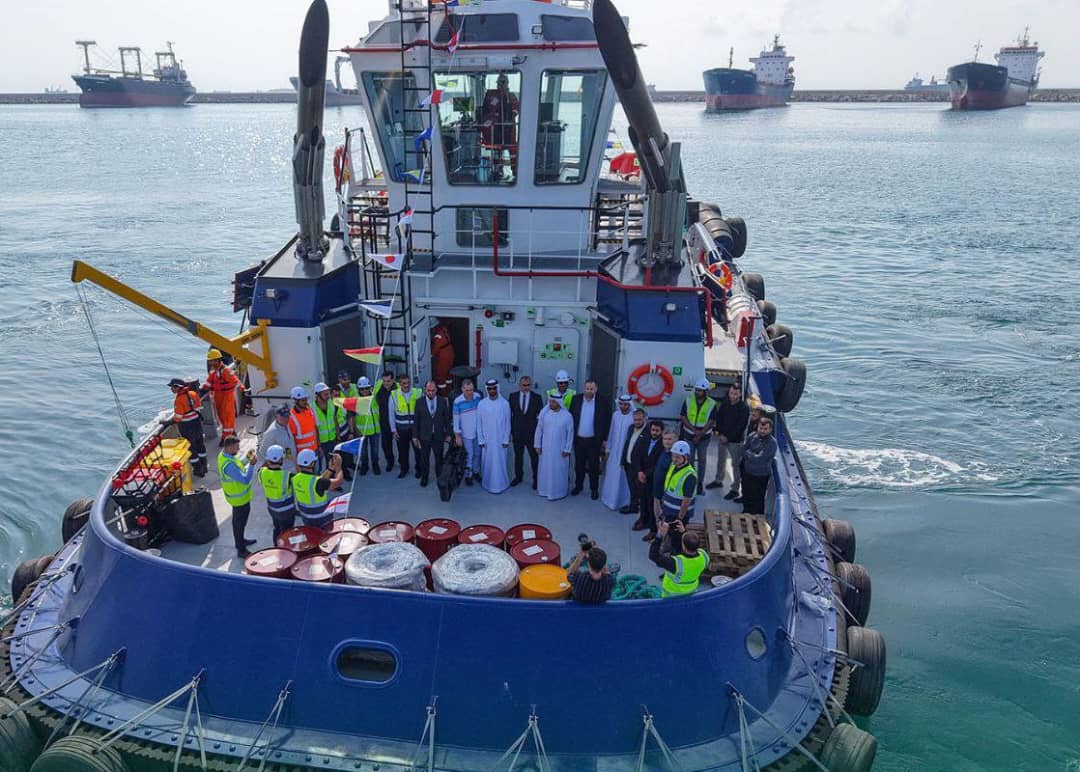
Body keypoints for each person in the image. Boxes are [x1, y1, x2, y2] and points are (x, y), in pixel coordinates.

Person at [707, 382, 751, 498]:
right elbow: (719, 418)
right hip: (722, 438)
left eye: (735, 394)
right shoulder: (725, 403)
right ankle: (718, 480)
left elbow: (741, 426)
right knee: (721, 460)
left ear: (740, 394)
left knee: (735, 464)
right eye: (731, 393)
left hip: (735, 441)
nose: (733, 395)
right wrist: (720, 433)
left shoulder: (744, 408)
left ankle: (735, 489)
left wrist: (727, 437)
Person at [569, 380, 611, 500]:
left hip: (594, 441)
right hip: (579, 439)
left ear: (596, 389)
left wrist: (605, 439)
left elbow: (607, 421)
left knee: (594, 466)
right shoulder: (576, 400)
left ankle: (594, 489)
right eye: (587, 389)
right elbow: (571, 418)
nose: (589, 391)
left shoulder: (603, 402)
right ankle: (578, 486)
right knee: (579, 465)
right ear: (584, 388)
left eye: (591, 389)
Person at [217, 436, 258, 558]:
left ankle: (240, 541)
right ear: (229, 447)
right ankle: (241, 549)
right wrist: (252, 465)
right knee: (239, 524)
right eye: (236, 447)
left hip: (239, 498)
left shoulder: (225, 456)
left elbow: (238, 464)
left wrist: (247, 458)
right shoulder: (228, 465)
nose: (238, 449)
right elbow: (245, 480)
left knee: (239, 523)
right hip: (239, 500)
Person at [649, 519, 709, 598]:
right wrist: (684, 532)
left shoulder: (675, 564)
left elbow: (653, 555)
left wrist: (659, 535)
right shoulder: (704, 556)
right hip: (691, 592)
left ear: (683, 546)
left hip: (671, 596)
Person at [659, 440, 698, 555]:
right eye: (673, 456)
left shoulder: (689, 476)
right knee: (670, 533)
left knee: (677, 538)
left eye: (677, 457)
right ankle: (669, 548)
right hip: (669, 510)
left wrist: (680, 518)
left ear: (685, 457)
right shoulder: (673, 466)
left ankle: (676, 556)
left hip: (678, 514)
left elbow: (686, 500)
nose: (674, 459)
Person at [291, 448, 345, 530]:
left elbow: (319, 481)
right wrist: (338, 466)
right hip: (322, 520)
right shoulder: (318, 482)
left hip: (307, 519)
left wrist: (330, 469)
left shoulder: (295, 478)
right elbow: (339, 481)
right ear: (312, 463)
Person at [679, 378, 716, 494]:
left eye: (699, 390)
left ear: (705, 391)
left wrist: (700, 434)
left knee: (702, 461)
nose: (697, 392)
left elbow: (711, 420)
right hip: (689, 435)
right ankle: (690, 481)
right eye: (696, 389)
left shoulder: (712, 404)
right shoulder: (688, 400)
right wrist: (694, 431)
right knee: (688, 460)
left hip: (704, 437)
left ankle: (699, 484)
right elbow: (683, 417)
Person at [534, 395, 574, 501]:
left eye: (553, 402)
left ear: (559, 403)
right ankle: (544, 491)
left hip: (560, 451)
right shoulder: (545, 414)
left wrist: (567, 449)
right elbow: (539, 430)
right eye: (550, 401)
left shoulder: (567, 416)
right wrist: (537, 445)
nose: (551, 404)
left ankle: (559, 493)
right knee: (545, 470)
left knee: (559, 471)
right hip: (545, 449)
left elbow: (570, 434)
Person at [480, 72, 520, 178]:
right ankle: (497, 170)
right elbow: (487, 110)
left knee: (513, 150)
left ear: (507, 83)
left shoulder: (511, 96)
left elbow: (516, 108)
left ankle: (515, 170)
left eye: (503, 82)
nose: (501, 84)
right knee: (496, 150)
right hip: (496, 129)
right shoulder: (492, 96)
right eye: (500, 82)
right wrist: (493, 116)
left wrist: (510, 114)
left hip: (509, 129)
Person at [167, 377, 207, 476]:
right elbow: (198, 407)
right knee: (200, 444)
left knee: (191, 448)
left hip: (187, 427)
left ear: (178, 387)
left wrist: (168, 422)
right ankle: (204, 465)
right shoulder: (193, 394)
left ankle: (198, 470)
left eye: (172, 387)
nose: (171, 389)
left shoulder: (178, 400)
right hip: (197, 423)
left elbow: (178, 418)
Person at [414, 380, 451, 487]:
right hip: (424, 436)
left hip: (438, 436)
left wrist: (449, 434)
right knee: (424, 459)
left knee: (439, 458)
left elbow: (447, 419)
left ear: (436, 390)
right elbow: (416, 420)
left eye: (433, 390)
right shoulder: (419, 402)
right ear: (425, 390)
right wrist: (415, 436)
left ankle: (439, 477)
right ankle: (425, 477)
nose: (431, 393)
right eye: (428, 390)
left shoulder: (442, 401)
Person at [600, 395, 634, 510]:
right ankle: (609, 499)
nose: (623, 406)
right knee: (612, 475)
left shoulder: (633, 417)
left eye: (626, 404)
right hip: (614, 451)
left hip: (626, 453)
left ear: (630, 405)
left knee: (623, 477)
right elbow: (611, 432)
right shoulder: (615, 415)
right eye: (621, 404)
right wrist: (608, 448)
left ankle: (623, 501)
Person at [477, 379, 511, 493]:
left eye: (494, 388)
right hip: (487, 441)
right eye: (489, 389)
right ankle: (487, 484)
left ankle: (502, 484)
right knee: (487, 462)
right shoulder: (482, 404)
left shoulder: (504, 404)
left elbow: (508, 423)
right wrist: (481, 440)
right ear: (487, 389)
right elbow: (479, 423)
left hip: (500, 440)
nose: (492, 391)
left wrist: (506, 439)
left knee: (500, 462)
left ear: (497, 388)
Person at [631, 420, 666, 532]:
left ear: (661, 431)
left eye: (657, 430)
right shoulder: (644, 439)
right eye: (653, 430)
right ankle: (643, 519)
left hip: (652, 479)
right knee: (642, 499)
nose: (654, 432)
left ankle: (652, 525)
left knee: (651, 503)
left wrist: (646, 474)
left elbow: (658, 464)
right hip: (641, 476)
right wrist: (640, 471)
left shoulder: (663, 445)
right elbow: (636, 455)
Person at [740, 410, 777, 514]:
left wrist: (748, 454)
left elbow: (760, 459)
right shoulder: (752, 436)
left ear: (770, 430)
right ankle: (746, 512)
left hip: (760, 475)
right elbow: (742, 450)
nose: (762, 431)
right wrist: (751, 454)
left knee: (758, 497)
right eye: (761, 428)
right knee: (746, 494)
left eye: (765, 429)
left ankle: (757, 516)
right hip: (747, 472)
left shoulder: (772, 443)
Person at [645, 430, 678, 543]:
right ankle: (658, 539)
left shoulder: (674, 458)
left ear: (675, 440)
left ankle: (663, 545)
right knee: (657, 518)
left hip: (665, 497)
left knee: (664, 521)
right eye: (665, 439)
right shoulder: (663, 452)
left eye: (670, 439)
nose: (667, 441)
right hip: (657, 493)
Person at [509, 375, 541, 489]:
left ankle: (536, 479)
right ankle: (518, 477)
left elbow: (540, 418)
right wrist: (510, 432)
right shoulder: (512, 397)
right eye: (524, 385)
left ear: (531, 385)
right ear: (519, 385)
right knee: (518, 457)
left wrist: (539, 435)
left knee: (534, 458)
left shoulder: (537, 398)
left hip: (531, 434)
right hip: (517, 433)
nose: (526, 387)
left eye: (528, 385)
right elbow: (509, 415)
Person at [202, 348, 240, 445]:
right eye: (210, 361)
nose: (210, 363)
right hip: (218, 397)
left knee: (227, 418)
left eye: (212, 361)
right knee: (222, 417)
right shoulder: (213, 371)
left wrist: (218, 387)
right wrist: (204, 388)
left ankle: (226, 438)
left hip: (227, 397)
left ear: (218, 360)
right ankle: (231, 432)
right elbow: (209, 381)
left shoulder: (225, 371)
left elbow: (235, 382)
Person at [258, 444, 295, 542]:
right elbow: (300, 478)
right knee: (287, 533)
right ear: (281, 460)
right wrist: (293, 460)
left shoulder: (262, 473)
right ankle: (285, 549)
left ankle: (276, 546)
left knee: (277, 529)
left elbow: (262, 468)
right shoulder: (287, 476)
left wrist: (268, 460)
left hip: (273, 509)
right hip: (287, 511)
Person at [389, 374, 420, 478]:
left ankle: (419, 469)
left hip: (415, 429)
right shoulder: (393, 395)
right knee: (403, 452)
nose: (406, 385)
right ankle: (404, 469)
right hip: (401, 429)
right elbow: (391, 415)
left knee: (418, 451)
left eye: (408, 383)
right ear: (399, 384)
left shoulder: (417, 393)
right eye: (403, 383)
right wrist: (394, 430)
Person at [452, 379, 482, 486]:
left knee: (478, 454)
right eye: (467, 390)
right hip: (466, 434)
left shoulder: (478, 397)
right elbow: (456, 420)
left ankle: (476, 472)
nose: (470, 392)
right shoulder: (457, 401)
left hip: (478, 433)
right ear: (462, 389)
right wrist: (457, 436)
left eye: (471, 390)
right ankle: (468, 476)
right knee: (469, 455)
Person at [619, 408, 649, 515]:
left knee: (641, 489)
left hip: (639, 468)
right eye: (635, 419)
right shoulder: (631, 428)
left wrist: (643, 469)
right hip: (629, 464)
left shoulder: (648, 432)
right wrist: (623, 460)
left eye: (639, 420)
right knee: (632, 488)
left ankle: (643, 511)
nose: (637, 422)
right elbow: (627, 444)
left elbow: (646, 453)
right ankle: (634, 507)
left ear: (644, 419)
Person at [351, 376, 381, 475]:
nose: (364, 391)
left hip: (375, 430)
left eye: (367, 388)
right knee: (363, 451)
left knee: (375, 450)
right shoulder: (355, 400)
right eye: (362, 389)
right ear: (358, 389)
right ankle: (365, 465)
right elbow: (352, 417)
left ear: (370, 387)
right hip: (362, 431)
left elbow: (381, 381)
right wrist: (355, 430)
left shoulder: (374, 396)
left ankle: (375, 465)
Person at [312, 382, 345, 468]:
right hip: (321, 442)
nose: (328, 396)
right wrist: (318, 446)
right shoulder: (312, 408)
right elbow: (314, 428)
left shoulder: (331, 403)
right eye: (325, 394)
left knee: (332, 462)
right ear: (317, 395)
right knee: (319, 465)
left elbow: (335, 421)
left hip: (332, 439)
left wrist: (338, 438)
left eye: (328, 393)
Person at [258, 405, 298, 472]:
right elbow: (263, 452)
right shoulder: (272, 432)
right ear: (276, 416)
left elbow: (287, 445)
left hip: (292, 466)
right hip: (282, 470)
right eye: (283, 417)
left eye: (287, 416)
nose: (286, 419)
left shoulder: (287, 425)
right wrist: (282, 456)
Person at [373, 370, 398, 471]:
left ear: (393, 380)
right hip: (384, 422)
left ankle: (403, 463)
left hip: (397, 422)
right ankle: (390, 461)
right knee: (385, 445)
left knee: (401, 446)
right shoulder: (379, 389)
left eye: (388, 381)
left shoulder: (398, 389)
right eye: (384, 381)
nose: (386, 383)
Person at [287, 386, 320, 463]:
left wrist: (319, 446)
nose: (306, 402)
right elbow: (289, 440)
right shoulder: (291, 417)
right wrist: (290, 458)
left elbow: (315, 429)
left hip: (314, 450)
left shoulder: (310, 411)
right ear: (295, 401)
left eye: (306, 399)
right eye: (303, 400)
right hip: (302, 455)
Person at [430, 318, 455, 396]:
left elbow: (435, 349)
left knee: (440, 377)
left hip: (443, 357)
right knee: (448, 375)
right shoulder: (444, 330)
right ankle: (450, 392)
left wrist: (430, 355)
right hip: (450, 354)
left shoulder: (437, 336)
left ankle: (443, 395)